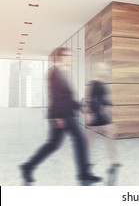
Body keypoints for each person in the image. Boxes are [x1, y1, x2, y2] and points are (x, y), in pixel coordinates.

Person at [20, 47, 101, 184]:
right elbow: (56, 97)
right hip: (62, 116)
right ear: (60, 56)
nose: (71, 58)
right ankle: (84, 174)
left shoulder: (62, 73)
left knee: (54, 145)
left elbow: (67, 97)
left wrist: (82, 108)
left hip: (66, 114)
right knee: (77, 140)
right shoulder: (54, 73)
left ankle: (28, 167)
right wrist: (58, 117)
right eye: (69, 55)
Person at [85, 62, 121, 173]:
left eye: (106, 69)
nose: (106, 71)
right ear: (98, 70)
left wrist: (111, 104)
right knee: (93, 138)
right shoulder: (94, 82)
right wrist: (90, 114)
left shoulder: (101, 82)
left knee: (106, 136)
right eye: (104, 69)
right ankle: (111, 160)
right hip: (96, 113)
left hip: (100, 113)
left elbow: (102, 99)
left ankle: (113, 159)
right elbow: (90, 99)